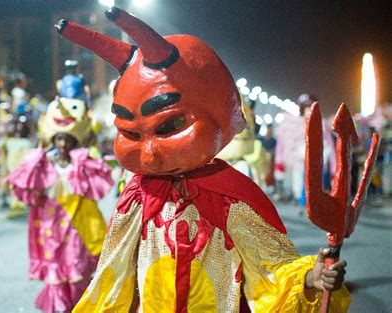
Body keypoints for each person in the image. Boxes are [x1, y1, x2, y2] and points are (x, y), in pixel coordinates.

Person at [57, 7, 349, 312]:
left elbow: (269, 263)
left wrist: (307, 276)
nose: (149, 154)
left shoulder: (230, 198)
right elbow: (113, 272)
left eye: (168, 126)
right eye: (131, 134)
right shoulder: (137, 197)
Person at [7, 96, 113, 313]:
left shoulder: (83, 163)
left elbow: (99, 186)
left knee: (78, 271)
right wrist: (39, 155)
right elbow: (22, 185)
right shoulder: (41, 163)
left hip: (78, 228)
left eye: (68, 140)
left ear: (75, 141)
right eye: (59, 139)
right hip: (50, 227)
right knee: (56, 275)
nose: (63, 145)